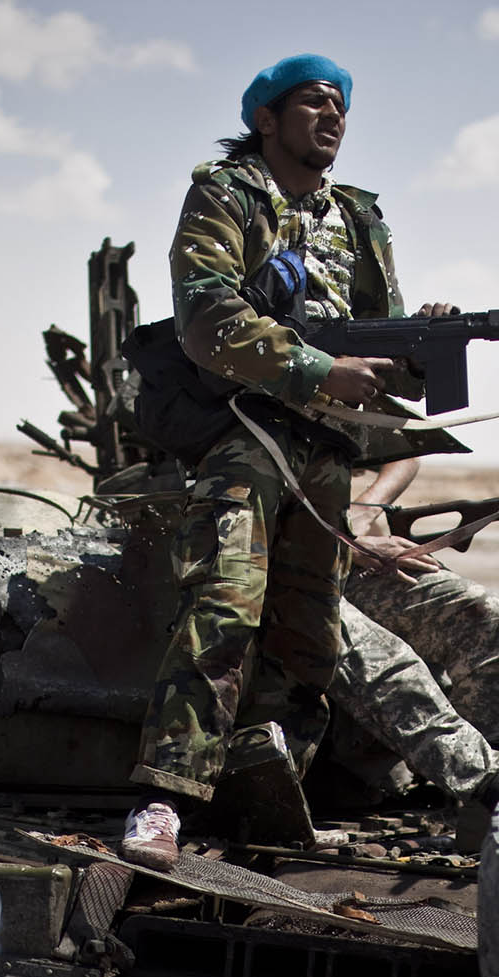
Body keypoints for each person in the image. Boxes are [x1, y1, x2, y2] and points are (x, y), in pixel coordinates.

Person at [121, 55, 453, 870]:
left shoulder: (359, 218)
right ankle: (164, 798)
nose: (333, 115)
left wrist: (426, 341)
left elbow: (380, 337)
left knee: (308, 638)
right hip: (247, 430)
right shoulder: (226, 192)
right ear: (267, 117)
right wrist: (313, 369)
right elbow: (206, 316)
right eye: (314, 101)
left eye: (342, 104)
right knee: (224, 606)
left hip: (328, 448)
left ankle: (267, 796)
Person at [324, 456, 499, 807]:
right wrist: (341, 539)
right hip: (282, 571)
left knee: (484, 614)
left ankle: (462, 790)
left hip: (347, 556)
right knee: (382, 660)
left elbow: (405, 451)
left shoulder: (337, 401)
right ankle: (485, 785)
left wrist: (362, 511)